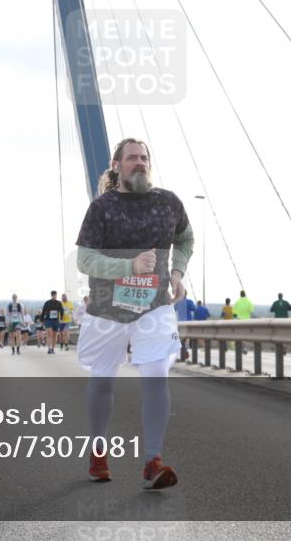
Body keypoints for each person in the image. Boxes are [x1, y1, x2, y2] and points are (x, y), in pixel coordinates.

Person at [76, 138, 193, 490]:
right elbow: (85, 260)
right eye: (132, 158)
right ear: (117, 165)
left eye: (144, 157)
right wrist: (128, 265)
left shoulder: (169, 202)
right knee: (102, 381)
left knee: (157, 374)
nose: (140, 162)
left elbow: (185, 239)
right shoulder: (102, 208)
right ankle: (98, 451)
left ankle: (153, 460)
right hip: (106, 308)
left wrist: (177, 272)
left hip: (155, 307)